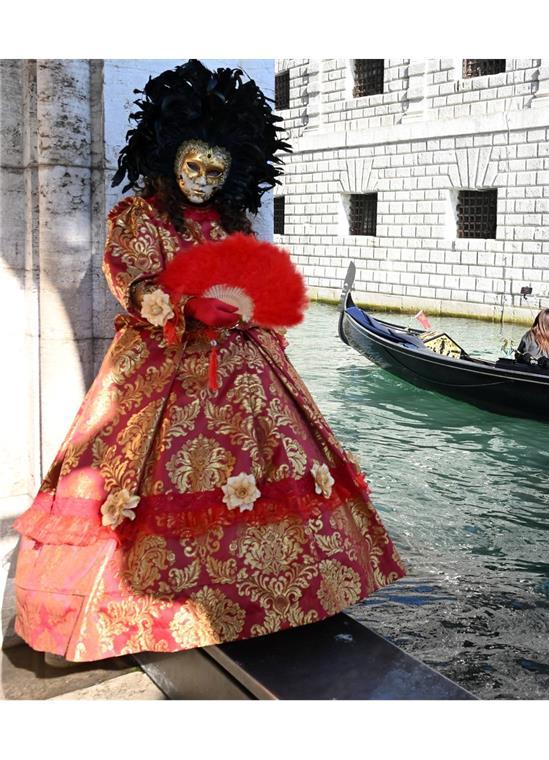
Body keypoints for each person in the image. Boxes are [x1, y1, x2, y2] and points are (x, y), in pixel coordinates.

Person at [10, 60, 406, 663]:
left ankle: (273, 604)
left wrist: (249, 309)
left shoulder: (229, 223)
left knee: (275, 474)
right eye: (192, 165)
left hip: (245, 368)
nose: (202, 179)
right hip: (163, 363)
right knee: (137, 487)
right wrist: (185, 304)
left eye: (215, 170)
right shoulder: (140, 218)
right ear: (168, 158)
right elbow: (130, 277)